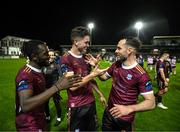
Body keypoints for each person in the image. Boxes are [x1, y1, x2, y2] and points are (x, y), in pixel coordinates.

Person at [87, 37, 155, 131]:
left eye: (119, 48)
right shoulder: (116, 64)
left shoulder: (141, 74)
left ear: (129, 50)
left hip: (124, 118)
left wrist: (129, 109)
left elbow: (151, 103)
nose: (116, 51)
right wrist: (95, 66)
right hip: (109, 113)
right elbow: (103, 78)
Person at [15, 40, 81, 131]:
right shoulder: (26, 74)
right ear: (34, 56)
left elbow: (39, 92)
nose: (49, 56)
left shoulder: (39, 70)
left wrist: (58, 85)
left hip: (40, 120)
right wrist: (57, 87)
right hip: (29, 125)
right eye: (45, 53)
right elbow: (25, 105)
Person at [61, 26, 107, 131]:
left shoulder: (86, 57)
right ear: (76, 41)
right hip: (77, 106)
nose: (88, 45)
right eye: (86, 42)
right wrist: (92, 74)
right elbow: (72, 86)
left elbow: (90, 79)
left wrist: (100, 95)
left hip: (90, 102)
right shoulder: (65, 59)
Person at [43, 49, 62, 126]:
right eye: (49, 55)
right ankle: (47, 117)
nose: (51, 56)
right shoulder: (43, 65)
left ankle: (59, 118)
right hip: (45, 88)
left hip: (55, 88)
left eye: (52, 55)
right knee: (45, 104)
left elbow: (61, 76)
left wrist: (58, 86)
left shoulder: (57, 65)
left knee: (57, 103)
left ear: (54, 56)